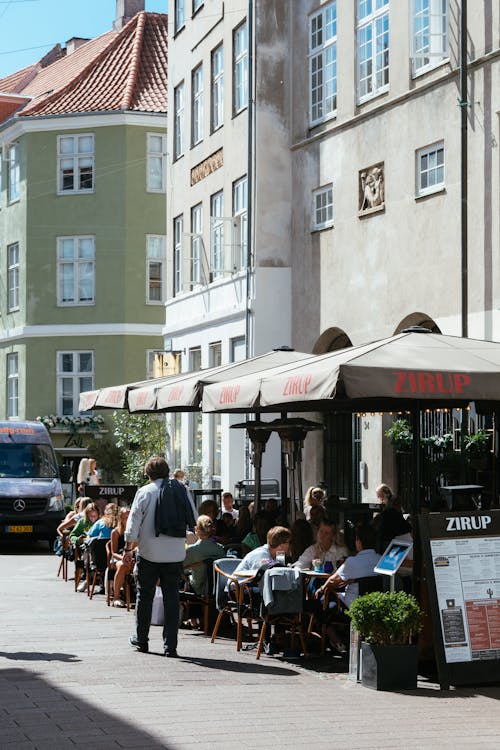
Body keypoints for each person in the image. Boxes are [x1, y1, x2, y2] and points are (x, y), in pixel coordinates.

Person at [124, 456, 190, 657]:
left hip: (149, 553)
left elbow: (134, 522)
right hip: (175, 553)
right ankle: (170, 646)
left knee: (144, 596)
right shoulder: (182, 490)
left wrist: (128, 548)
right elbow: (192, 518)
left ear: (148, 473)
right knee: (172, 598)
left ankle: (141, 639)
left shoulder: (145, 492)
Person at [110, 507, 134, 608]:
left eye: (130, 517)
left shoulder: (135, 531)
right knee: (123, 565)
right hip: (118, 558)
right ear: (121, 518)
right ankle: (116, 597)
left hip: (132, 556)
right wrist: (123, 558)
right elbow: (113, 552)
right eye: (125, 517)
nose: (128, 519)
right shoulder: (116, 532)